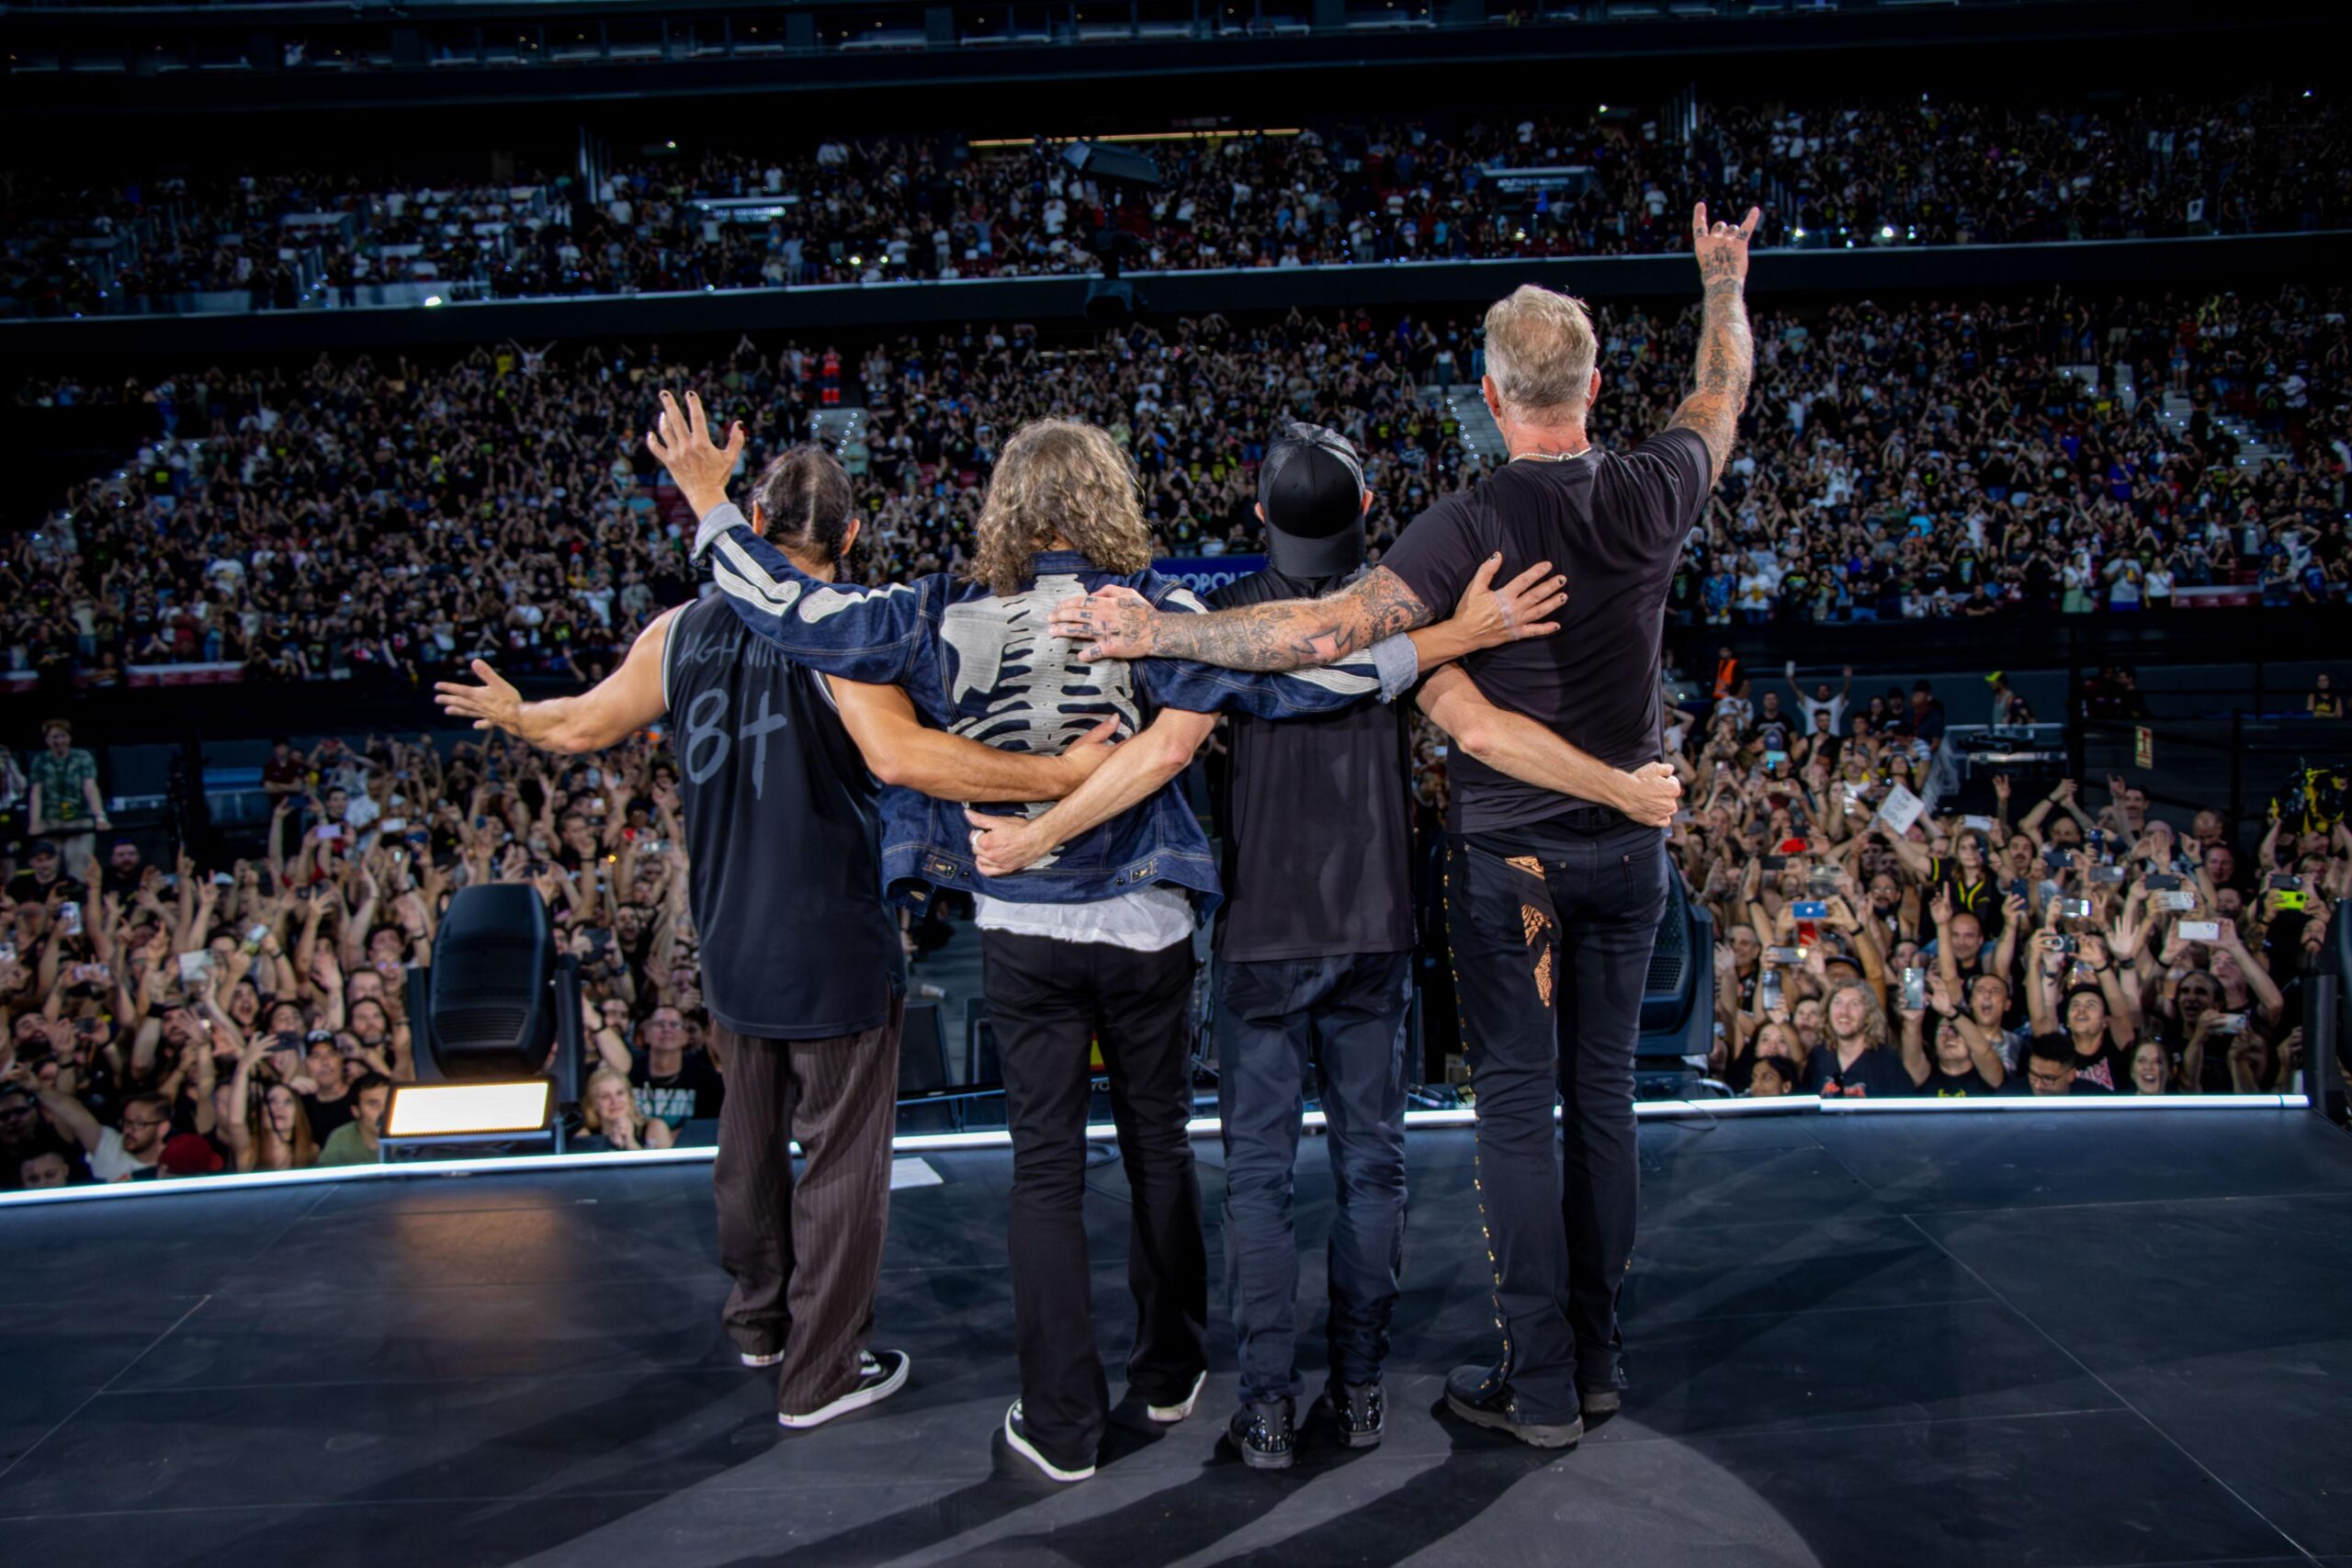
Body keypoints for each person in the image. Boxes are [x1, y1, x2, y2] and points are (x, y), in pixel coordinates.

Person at [665, 395, 1547, 1483]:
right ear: (1110, 502)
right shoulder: (1160, 609)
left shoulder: (933, 607)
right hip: (1145, 923)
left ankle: (1063, 1426)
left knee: (1044, 1176)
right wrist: (1441, 639)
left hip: (1021, 923)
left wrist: (712, 506)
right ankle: (1171, 1371)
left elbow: (792, 607)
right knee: (1159, 1145)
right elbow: (1303, 675)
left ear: (1003, 509)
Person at [1046, 206, 1758, 1447]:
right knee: (1602, 1103)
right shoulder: (1655, 485)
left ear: (1489, 392)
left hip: (1515, 866)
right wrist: (1721, 280)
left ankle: (1538, 1386)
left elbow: (1317, 635)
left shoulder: (1466, 526)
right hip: (1628, 856)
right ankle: (1594, 1364)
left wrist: (1161, 631)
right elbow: (1722, 389)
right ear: (1594, 384)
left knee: (1519, 1110)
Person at [437, 440, 1117, 1432]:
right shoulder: (844, 632)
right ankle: (822, 1374)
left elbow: (579, 727)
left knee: (746, 1147)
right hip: (833, 936)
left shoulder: (678, 633)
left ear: (753, 529)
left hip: (729, 940)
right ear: (849, 534)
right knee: (841, 1160)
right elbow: (913, 759)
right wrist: (1064, 781)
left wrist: (515, 713)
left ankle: (758, 1321)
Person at [26, 719, 110, 883]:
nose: (59, 741)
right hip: (51, 822)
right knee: (47, 865)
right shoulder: (40, 760)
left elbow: (90, 787)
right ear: (47, 740)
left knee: (78, 865)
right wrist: (34, 823)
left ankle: (77, 901)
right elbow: (36, 793)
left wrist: (100, 817)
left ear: (69, 738)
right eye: (54, 737)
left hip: (79, 820)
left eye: (62, 736)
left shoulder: (82, 757)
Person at [315, 1072, 391, 1166]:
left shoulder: (408, 1136)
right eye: (374, 1104)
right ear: (356, 1111)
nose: (384, 1111)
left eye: (389, 1103)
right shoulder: (341, 1139)